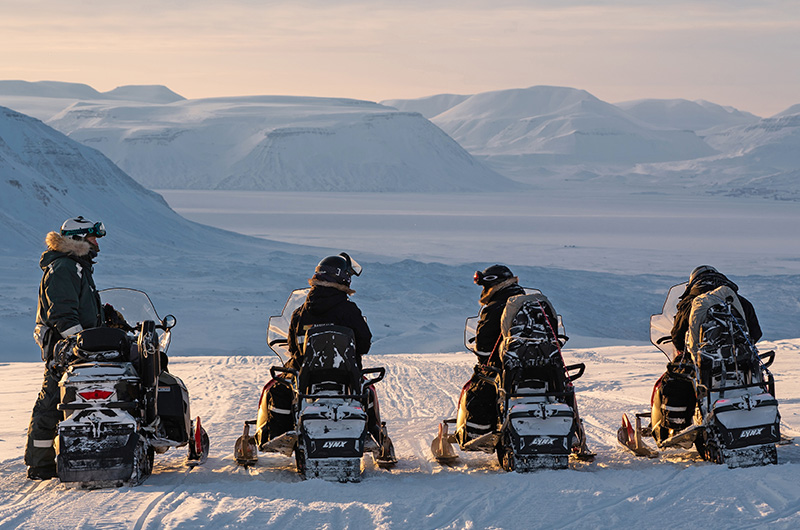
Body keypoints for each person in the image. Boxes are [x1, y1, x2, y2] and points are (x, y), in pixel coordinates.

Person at [26, 216, 106, 480]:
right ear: (78, 240)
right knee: (52, 402)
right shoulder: (64, 268)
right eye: (92, 238)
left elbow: (81, 307)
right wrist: (81, 345)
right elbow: (63, 315)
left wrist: (106, 317)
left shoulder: (76, 267)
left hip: (75, 348)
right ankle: (41, 464)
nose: (96, 243)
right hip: (65, 351)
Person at [670, 265, 762, 356]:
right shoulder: (739, 301)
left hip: (703, 359)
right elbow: (756, 333)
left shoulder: (690, 302)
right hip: (739, 358)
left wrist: (684, 351)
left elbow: (677, 335)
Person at [473, 264, 526, 365]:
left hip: (505, 364)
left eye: (485, 286)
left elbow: (484, 342)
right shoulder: (528, 303)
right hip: (537, 361)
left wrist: (484, 361)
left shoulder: (496, 307)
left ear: (492, 285)